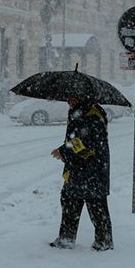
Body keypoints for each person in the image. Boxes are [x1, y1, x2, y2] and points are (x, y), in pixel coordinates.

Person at [49, 96, 113, 251]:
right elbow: (76, 140)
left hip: (92, 170)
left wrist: (63, 151)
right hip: (78, 169)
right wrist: (66, 152)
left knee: (96, 206)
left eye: (72, 98)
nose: (68, 101)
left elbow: (87, 143)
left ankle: (104, 242)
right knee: (70, 201)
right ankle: (66, 238)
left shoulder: (92, 115)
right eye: (68, 98)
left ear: (81, 98)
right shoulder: (79, 113)